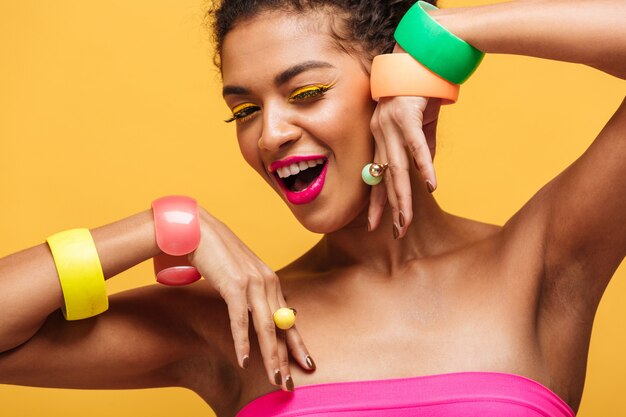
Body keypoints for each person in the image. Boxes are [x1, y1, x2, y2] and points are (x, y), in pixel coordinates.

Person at [0, 0, 625, 416]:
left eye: (306, 92)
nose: (269, 134)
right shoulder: (236, 323)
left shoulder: (541, 264)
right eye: (245, 109)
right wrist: (161, 227)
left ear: (387, 85)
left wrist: (448, 37)